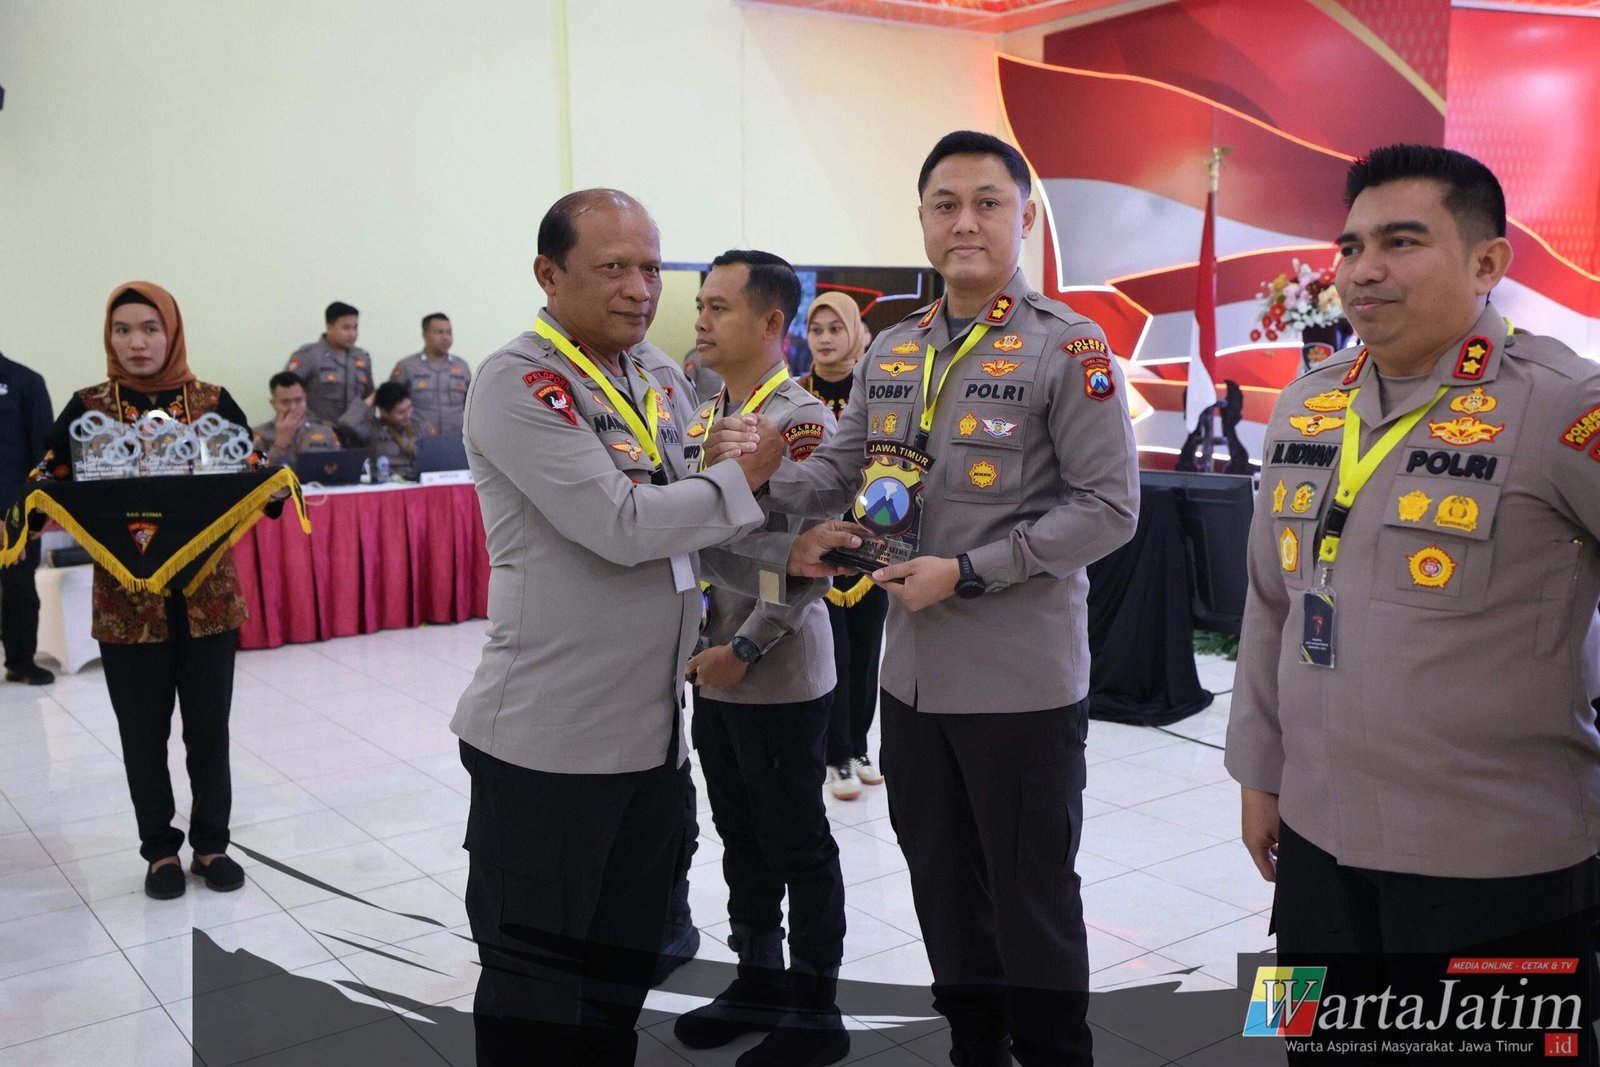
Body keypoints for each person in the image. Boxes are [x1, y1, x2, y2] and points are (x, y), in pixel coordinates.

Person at [707, 130, 1140, 1067]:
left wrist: (970, 569)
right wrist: (758, 472)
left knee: (1031, 897)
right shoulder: (895, 349)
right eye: (946, 204)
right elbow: (836, 472)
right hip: (910, 681)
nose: (965, 222)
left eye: (988, 202)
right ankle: (975, 1047)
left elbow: (1109, 509)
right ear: (922, 220)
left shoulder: (1069, 346)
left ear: (1025, 217)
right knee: (942, 886)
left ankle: (1055, 1052)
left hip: (1020, 682)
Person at [448, 189, 849, 1067]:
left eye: (651, 268)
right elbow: (625, 524)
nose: (641, 289)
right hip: (550, 748)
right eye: (613, 268)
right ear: (549, 274)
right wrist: (748, 475)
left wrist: (789, 560)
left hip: (651, 746)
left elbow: (694, 543)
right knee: (535, 1000)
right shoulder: (522, 382)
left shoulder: (661, 379)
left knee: (618, 984)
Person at [1226, 145, 1600, 1062]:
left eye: (1400, 242)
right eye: (1350, 246)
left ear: (1487, 261)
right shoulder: (1305, 406)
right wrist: (1259, 776)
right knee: (1311, 1045)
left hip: (1495, 865)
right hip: (1314, 842)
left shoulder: (1563, 404)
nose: (1363, 270)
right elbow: (1271, 604)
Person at [672, 251, 848, 1066]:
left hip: (775, 673)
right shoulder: (710, 411)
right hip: (714, 670)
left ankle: (816, 1009)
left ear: (772, 323)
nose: (701, 319)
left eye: (719, 307)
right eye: (701, 304)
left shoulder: (800, 423)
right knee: (739, 838)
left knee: (796, 844)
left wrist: (744, 646)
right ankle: (757, 979)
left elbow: (816, 559)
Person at [36, 282, 254, 900]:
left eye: (150, 328)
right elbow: (48, 475)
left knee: (209, 731)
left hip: (208, 601)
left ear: (172, 332)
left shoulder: (212, 402)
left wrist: (271, 479)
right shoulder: (87, 409)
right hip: (127, 608)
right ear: (109, 337)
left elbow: (252, 471)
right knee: (142, 734)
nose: (137, 342)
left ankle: (211, 845)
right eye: (123, 329)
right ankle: (159, 851)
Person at [797, 292, 888, 800]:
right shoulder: (796, 395)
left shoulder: (876, 393)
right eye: (817, 329)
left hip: (873, 541)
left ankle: (858, 747)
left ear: (855, 333)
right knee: (835, 654)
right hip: (818, 548)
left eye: (836, 329)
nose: (826, 339)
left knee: (868, 653)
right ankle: (834, 756)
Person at [0, 351, 54, 685]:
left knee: (20, 590)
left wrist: (39, 511)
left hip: (16, 512)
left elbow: (44, 455)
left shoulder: (25, 382)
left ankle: (21, 662)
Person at [285, 300, 374, 430]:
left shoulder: (362, 358)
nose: (352, 333)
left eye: (355, 328)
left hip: (355, 435)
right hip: (316, 433)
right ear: (329, 327)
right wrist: (314, 421)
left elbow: (369, 398)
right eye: (346, 328)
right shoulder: (309, 356)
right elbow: (286, 396)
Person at [390, 312, 472, 435]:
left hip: (455, 439)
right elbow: (391, 406)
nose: (445, 337)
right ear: (424, 334)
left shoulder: (462, 367)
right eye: (439, 332)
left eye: (449, 332)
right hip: (418, 439)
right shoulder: (407, 367)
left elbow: (472, 406)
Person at [338, 381, 435, 480]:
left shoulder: (421, 427)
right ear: (384, 412)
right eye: (401, 412)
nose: (408, 415)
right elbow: (346, 422)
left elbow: (434, 460)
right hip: (385, 484)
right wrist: (372, 398)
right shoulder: (372, 429)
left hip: (415, 483)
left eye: (409, 408)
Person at [251, 371, 339, 466]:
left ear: (305, 399)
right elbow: (255, 470)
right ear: (273, 404)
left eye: (298, 400)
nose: (293, 408)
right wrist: (280, 445)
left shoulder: (326, 432)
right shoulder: (258, 435)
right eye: (285, 402)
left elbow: (339, 467)